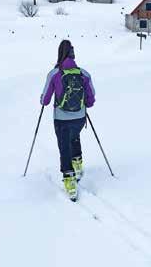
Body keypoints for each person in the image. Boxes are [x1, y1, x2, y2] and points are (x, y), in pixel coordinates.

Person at [41, 40, 95, 201]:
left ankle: (69, 178)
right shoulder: (84, 73)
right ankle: (77, 163)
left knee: (64, 146)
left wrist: (42, 99)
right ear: (73, 55)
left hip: (61, 118)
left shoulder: (54, 74)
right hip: (79, 117)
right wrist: (84, 103)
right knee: (74, 136)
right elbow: (91, 100)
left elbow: (45, 100)